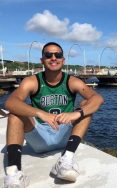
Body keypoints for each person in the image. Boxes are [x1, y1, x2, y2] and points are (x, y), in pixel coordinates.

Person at [4, 42, 104, 188]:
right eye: (48, 55)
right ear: (42, 60)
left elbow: (97, 99)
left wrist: (76, 113)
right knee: (15, 114)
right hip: (40, 137)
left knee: (86, 107)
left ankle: (66, 161)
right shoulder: (33, 81)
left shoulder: (71, 81)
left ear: (63, 60)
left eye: (57, 55)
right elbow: (11, 102)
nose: (53, 58)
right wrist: (39, 112)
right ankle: (13, 175)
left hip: (64, 136)